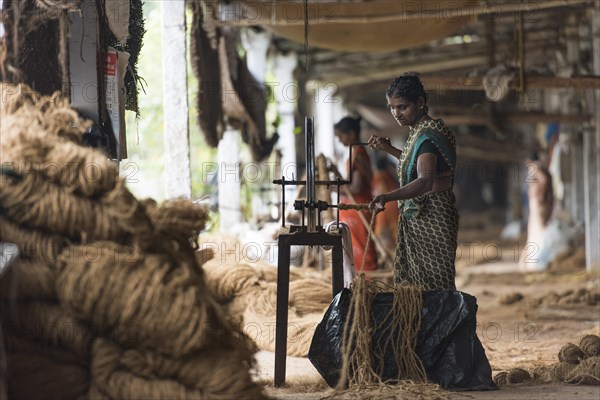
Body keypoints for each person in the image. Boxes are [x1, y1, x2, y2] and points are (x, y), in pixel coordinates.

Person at [368, 73, 458, 290]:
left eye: (402, 107)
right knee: (422, 286)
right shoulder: (421, 132)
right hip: (424, 216)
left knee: (433, 286)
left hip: (431, 217)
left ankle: (439, 324)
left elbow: (425, 181)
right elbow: (416, 164)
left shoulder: (426, 137)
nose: (396, 113)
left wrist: (387, 197)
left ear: (420, 103)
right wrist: (388, 149)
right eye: (392, 107)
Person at [334, 116, 377, 272]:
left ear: (352, 134)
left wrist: (335, 188)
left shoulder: (358, 154)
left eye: (341, 136)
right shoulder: (356, 152)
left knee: (361, 250)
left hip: (358, 208)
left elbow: (356, 188)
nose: (340, 141)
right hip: (358, 207)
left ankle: (368, 280)